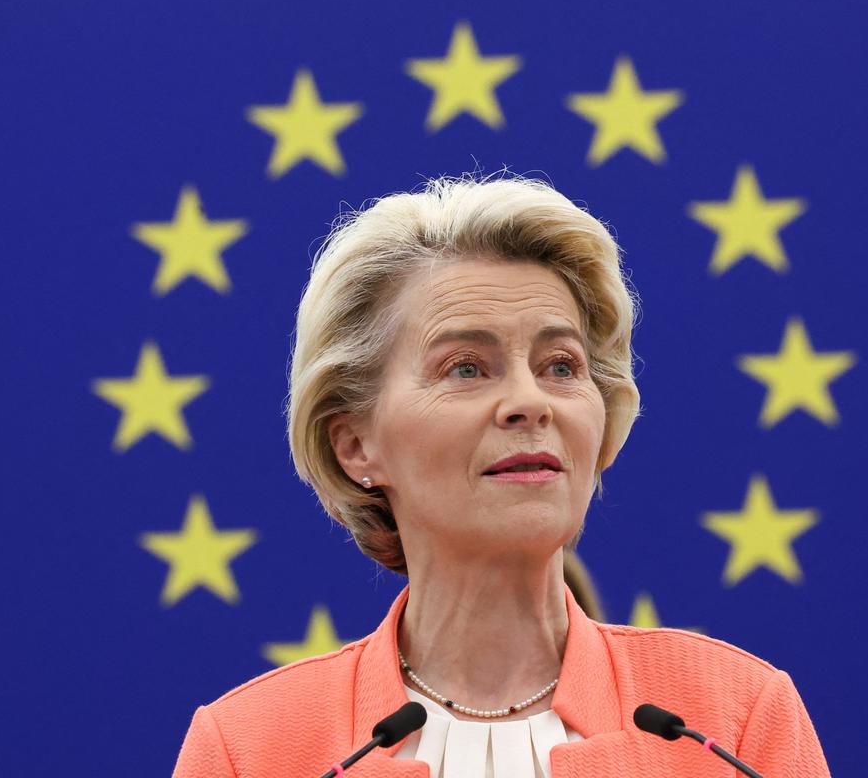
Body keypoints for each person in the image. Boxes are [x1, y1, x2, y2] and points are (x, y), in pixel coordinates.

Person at [171, 173, 831, 778]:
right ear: (355, 445)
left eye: (561, 366)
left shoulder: (733, 722)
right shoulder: (247, 749)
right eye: (466, 367)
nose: (530, 402)